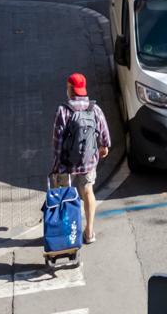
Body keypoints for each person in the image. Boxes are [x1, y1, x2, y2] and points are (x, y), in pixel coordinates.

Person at [49, 73, 110, 245]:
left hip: (66, 164)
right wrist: (103, 148)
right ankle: (89, 233)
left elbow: (57, 142)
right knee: (88, 191)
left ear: (70, 89)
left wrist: (56, 166)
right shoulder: (94, 109)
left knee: (65, 196)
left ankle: (68, 233)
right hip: (88, 162)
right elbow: (105, 137)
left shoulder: (63, 111)